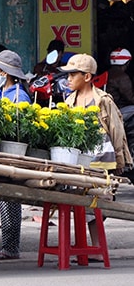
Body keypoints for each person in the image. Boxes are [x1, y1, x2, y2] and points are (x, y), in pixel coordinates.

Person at [60, 53, 133, 257]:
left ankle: (96, 247)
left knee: (97, 205)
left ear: (87, 77)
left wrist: (121, 160)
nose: (68, 79)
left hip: (103, 162)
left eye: (73, 75)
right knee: (81, 204)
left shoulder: (103, 100)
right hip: (79, 161)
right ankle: (85, 247)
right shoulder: (68, 101)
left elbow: (117, 131)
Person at [0, 50, 31, 260]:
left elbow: (19, 129)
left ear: (6, 73)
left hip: (12, 156)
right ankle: (8, 247)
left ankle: (11, 248)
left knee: (9, 201)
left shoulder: (19, 96)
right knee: (5, 201)